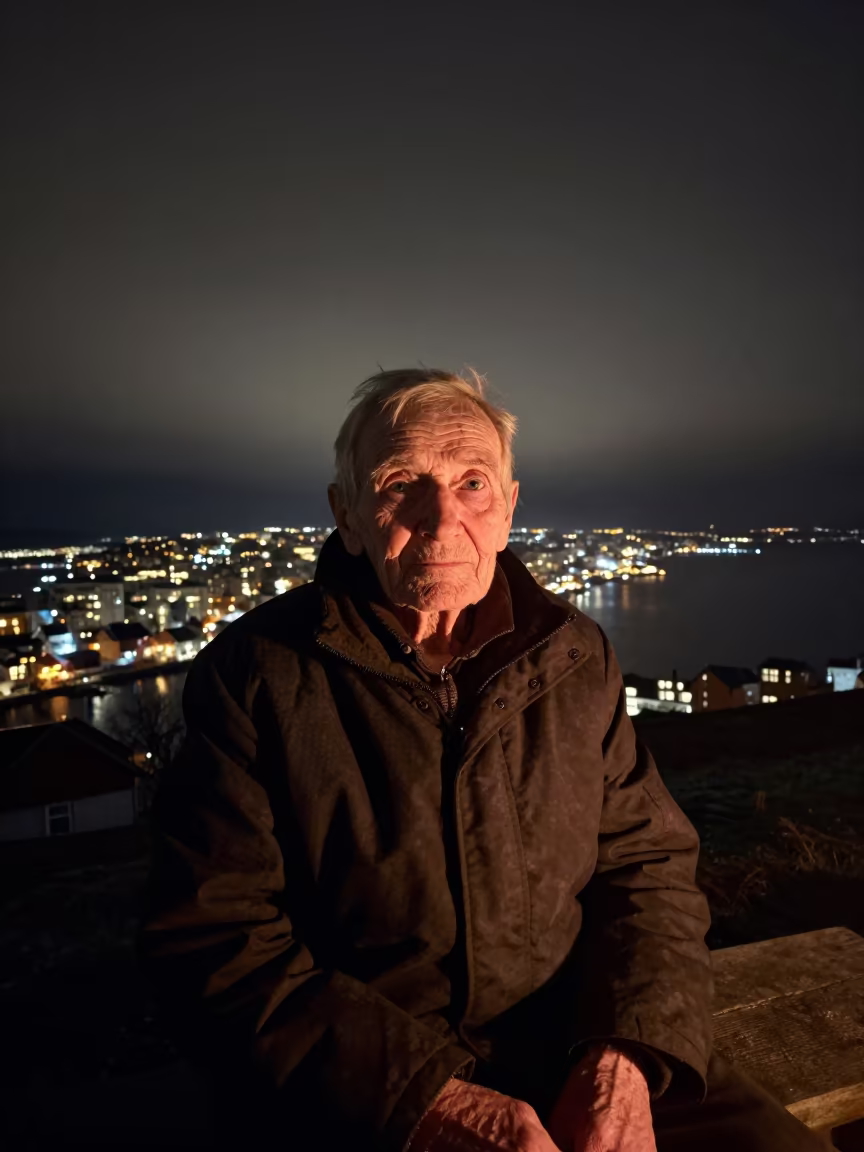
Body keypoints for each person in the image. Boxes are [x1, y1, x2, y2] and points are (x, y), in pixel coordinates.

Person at [139, 368, 832, 1152]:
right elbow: (213, 936)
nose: (442, 519)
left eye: (472, 483)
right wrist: (428, 1101)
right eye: (402, 484)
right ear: (349, 515)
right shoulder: (258, 674)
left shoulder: (574, 658)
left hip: (579, 1044)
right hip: (368, 1090)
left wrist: (625, 1060)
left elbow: (648, 868)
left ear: (506, 508)